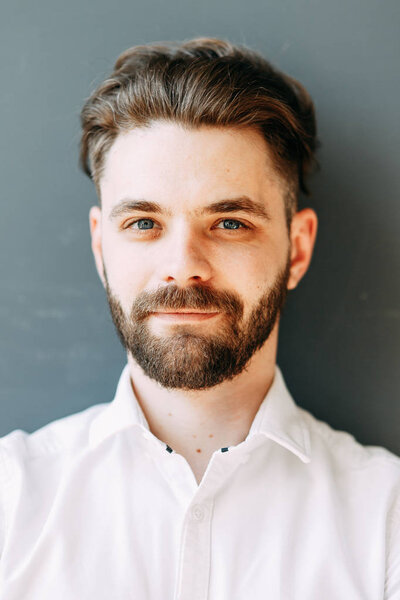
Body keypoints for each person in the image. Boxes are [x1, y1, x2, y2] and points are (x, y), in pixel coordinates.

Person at [0, 37, 398, 599]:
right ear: (100, 248)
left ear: (298, 249)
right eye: (143, 223)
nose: (183, 268)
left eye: (230, 222)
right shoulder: (11, 502)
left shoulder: (386, 519)